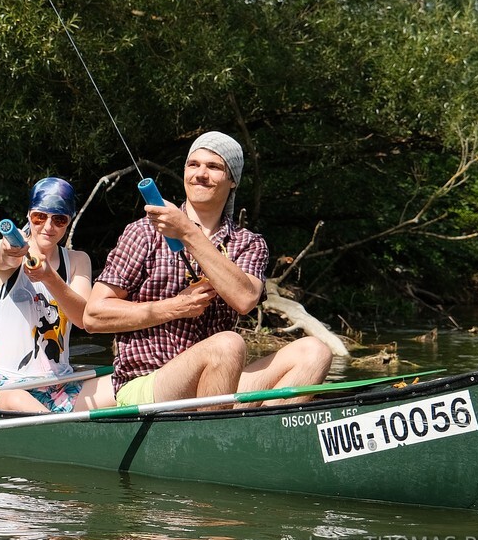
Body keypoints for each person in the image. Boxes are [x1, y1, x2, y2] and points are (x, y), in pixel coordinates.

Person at [83, 131, 332, 408]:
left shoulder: (248, 244)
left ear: (233, 180)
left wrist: (188, 231)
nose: (200, 173)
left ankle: (259, 435)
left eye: (214, 167)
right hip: (149, 382)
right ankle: (215, 440)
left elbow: (244, 299)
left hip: (218, 385)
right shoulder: (143, 232)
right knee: (228, 344)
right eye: (193, 164)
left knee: (315, 351)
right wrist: (176, 307)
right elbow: (94, 316)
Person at [0, 177, 114, 412]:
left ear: (68, 222)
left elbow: (82, 318)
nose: (48, 227)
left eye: (59, 219)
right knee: (17, 400)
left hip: (60, 384)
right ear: (29, 215)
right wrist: (10, 249)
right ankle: (61, 435)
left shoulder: (77, 260)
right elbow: (2, 256)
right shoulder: (10, 248)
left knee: (121, 387)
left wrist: (49, 277)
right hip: (9, 386)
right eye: (39, 217)